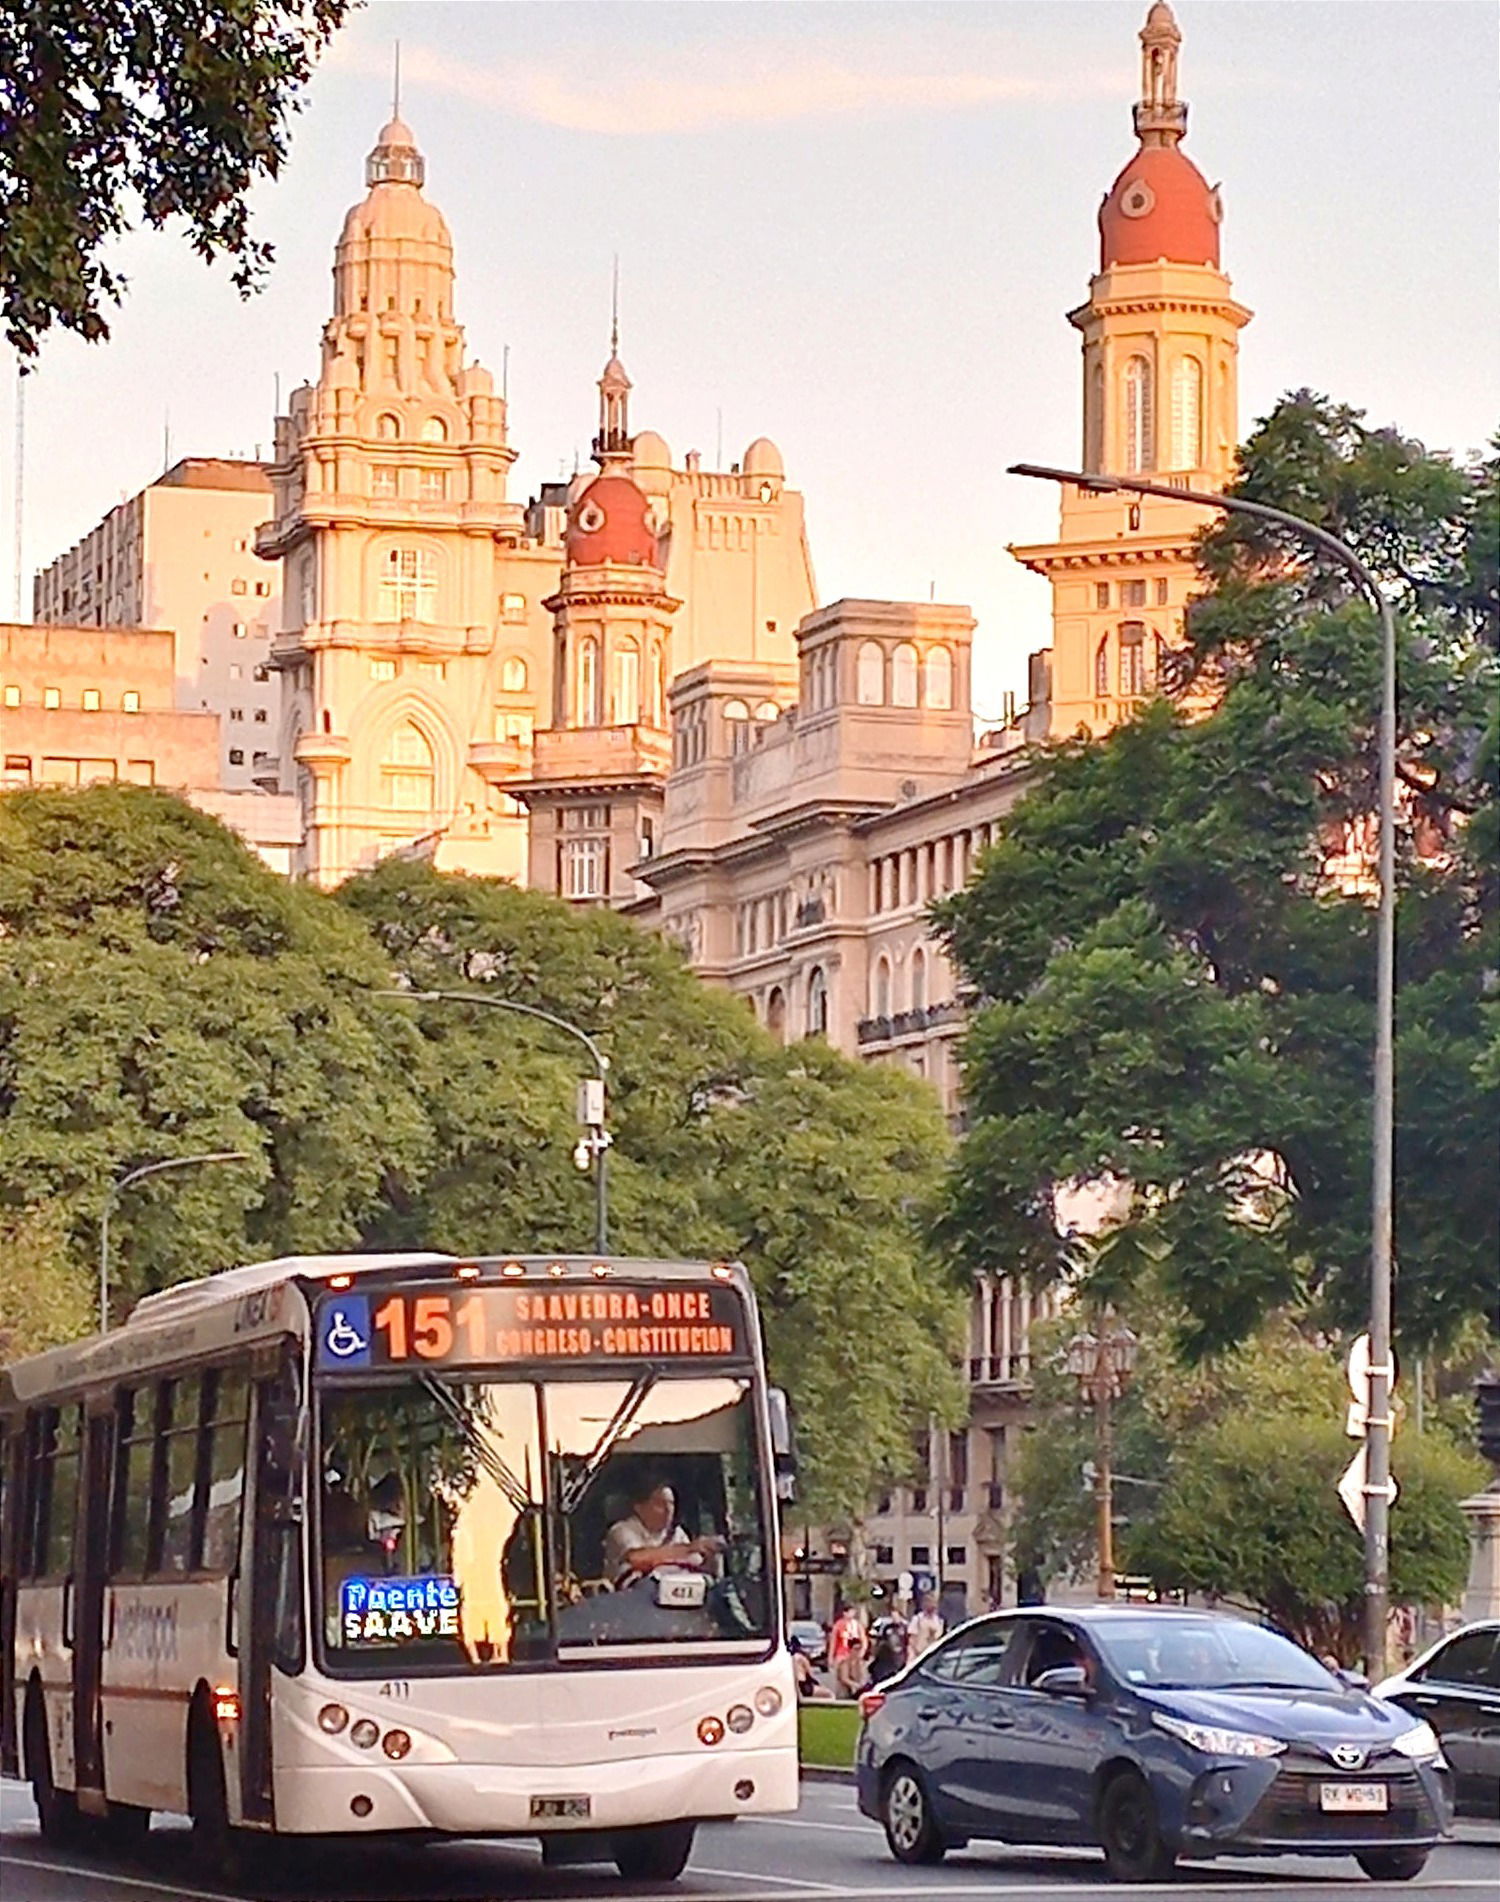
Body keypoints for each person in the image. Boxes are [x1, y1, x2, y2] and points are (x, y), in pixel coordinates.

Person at [603, 1478, 723, 1588]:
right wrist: (689, 1548)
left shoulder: (678, 1533)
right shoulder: (621, 1530)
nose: (668, 1510)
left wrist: (709, 1557)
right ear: (639, 1507)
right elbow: (636, 1558)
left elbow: (691, 1564)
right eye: (660, 1504)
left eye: (671, 1503)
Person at [828, 1605, 868, 1699]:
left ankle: (858, 1691)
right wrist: (831, 1657)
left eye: (853, 1612)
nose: (852, 1614)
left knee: (856, 1674)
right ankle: (843, 1695)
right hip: (842, 1654)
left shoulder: (857, 1625)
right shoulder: (838, 1625)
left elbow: (863, 1639)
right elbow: (833, 1642)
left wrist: (862, 1651)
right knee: (842, 1678)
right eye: (850, 1612)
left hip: (854, 1655)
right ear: (844, 1613)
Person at [907, 1592, 944, 1659]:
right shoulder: (917, 1619)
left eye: (932, 1602)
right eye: (928, 1602)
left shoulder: (939, 1621)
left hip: (933, 1655)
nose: (931, 1605)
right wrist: (916, 1652)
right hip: (918, 1655)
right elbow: (911, 1638)